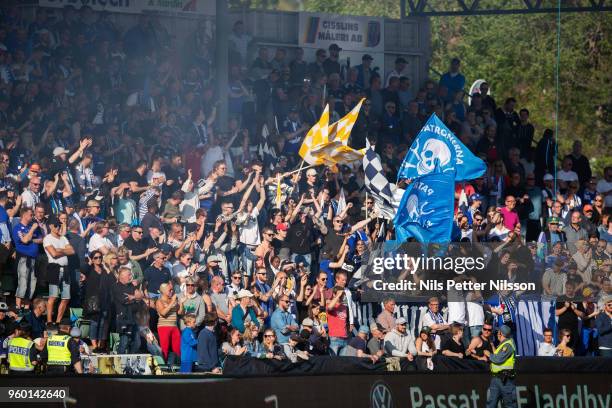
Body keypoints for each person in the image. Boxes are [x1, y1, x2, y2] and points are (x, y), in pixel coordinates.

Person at [43, 215, 75, 324]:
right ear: (51, 226)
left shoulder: (63, 238)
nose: (58, 228)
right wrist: (64, 250)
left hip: (65, 269)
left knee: (66, 297)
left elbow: (72, 251)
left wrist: (59, 249)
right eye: (56, 226)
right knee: (53, 296)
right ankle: (49, 321)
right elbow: (53, 254)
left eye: (59, 225)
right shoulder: (47, 238)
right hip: (54, 269)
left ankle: (58, 321)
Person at [486, 325, 517, 408]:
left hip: (506, 380)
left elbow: (499, 359)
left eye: (498, 332)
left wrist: (489, 355)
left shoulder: (508, 345)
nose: (497, 334)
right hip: (496, 378)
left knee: (509, 404)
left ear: (501, 333)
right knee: (491, 404)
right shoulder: (501, 345)